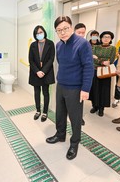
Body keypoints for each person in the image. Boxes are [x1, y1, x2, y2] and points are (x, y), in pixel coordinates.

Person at [46, 16, 93, 160]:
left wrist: (85, 89)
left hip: (75, 88)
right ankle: (60, 135)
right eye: (59, 30)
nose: (63, 32)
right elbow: (61, 63)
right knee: (59, 113)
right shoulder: (58, 45)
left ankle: (74, 143)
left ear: (71, 27)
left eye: (65, 28)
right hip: (61, 85)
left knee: (75, 117)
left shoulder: (83, 44)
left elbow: (88, 67)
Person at [28, 25, 55, 122]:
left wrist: (43, 71)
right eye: (37, 33)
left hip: (46, 72)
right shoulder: (33, 45)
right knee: (36, 92)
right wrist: (37, 71)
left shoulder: (50, 44)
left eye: (41, 32)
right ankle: (38, 110)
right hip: (35, 73)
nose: (39, 34)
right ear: (35, 35)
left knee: (45, 92)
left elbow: (51, 59)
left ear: (44, 32)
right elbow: (31, 60)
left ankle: (45, 112)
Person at [89, 31, 116, 117]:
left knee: (103, 90)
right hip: (95, 70)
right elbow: (92, 58)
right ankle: (94, 106)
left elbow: (111, 61)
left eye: (108, 37)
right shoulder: (96, 47)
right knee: (94, 89)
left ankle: (101, 108)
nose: (106, 38)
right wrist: (102, 61)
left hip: (105, 72)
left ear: (111, 39)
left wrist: (98, 59)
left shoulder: (113, 48)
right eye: (104, 37)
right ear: (101, 38)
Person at [74, 23, 87, 126]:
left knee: (80, 100)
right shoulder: (70, 44)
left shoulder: (85, 44)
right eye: (79, 33)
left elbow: (88, 66)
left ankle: (79, 118)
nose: (81, 35)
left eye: (83, 33)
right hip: (71, 78)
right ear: (74, 32)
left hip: (81, 78)